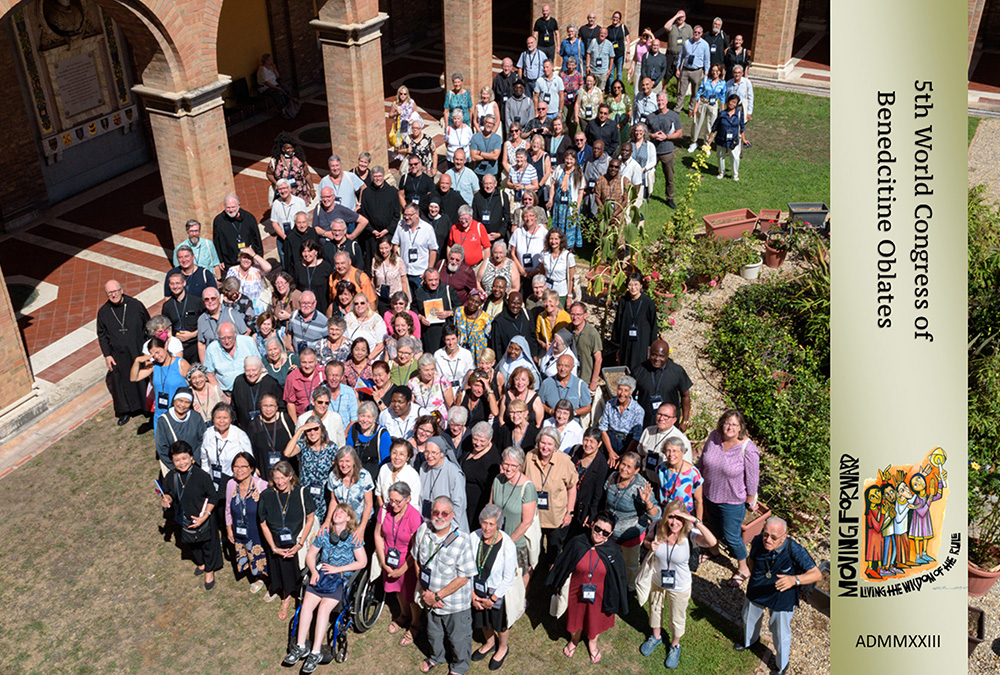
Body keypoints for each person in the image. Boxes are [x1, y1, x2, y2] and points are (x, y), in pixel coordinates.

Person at [283, 503, 366, 674]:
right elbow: (311, 555)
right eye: (336, 511)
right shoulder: (324, 534)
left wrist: (337, 569)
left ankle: (315, 653)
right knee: (305, 606)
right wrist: (313, 571)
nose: (338, 513)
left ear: (349, 518)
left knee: (323, 610)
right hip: (321, 576)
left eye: (343, 512)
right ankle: (300, 647)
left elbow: (362, 562)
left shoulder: (353, 538)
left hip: (339, 579)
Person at [735, 517, 823, 675]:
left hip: (783, 594)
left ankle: (782, 665)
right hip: (758, 588)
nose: (768, 540)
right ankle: (750, 641)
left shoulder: (794, 549)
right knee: (748, 616)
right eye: (765, 534)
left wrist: (794, 580)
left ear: (784, 536)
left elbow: (816, 574)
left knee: (780, 632)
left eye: (774, 537)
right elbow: (752, 561)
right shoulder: (757, 542)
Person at [637, 501, 717, 668]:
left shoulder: (691, 534)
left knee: (677, 617)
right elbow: (646, 541)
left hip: (680, 586)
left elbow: (712, 542)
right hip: (658, 580)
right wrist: (648, 545)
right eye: (671, 517)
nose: (674, 522)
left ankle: (675, 645)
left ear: (685, 519)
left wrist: (696, 521)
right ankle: (656, 637)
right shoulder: (659, 527)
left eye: (679, 518)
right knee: (655, 609)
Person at [547, 510, 627, 664]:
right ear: (591, 525)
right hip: (576, 591)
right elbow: (564, 564)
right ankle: (574, 640)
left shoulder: (614, 552)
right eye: (597, 528)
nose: (599, 534)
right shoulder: (577, 542)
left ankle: (592, 642)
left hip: (600, 595)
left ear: (610, 535)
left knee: (594, 620)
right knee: (575, 619)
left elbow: (619, 577)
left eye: (605, 533)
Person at [413, 496, 477, 674]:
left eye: (444, 513)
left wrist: (437, 596)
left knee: (458, 638)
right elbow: (417, 560)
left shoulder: (462, 540)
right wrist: (427, 592)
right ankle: (436, 657)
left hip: (454, 604)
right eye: (435, 512)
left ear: (452, 515)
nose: (439, 516)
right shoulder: (423, 531)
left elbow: (463, 578)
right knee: (434, 634)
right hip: (429, 597)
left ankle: (460, 666)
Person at [698, 409, 760, 587]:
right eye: (727, 423)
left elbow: (753, 478)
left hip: (732, 500)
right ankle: (714, 551)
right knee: (715, 528)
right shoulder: (714, 437)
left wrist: (750, 500)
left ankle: (743, 568)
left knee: (732, 536)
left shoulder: (748, 448)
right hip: (710, 494)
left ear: (741, 427)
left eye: (734, 424)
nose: (729, 427)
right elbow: (703, 461)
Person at [159, 441, 223, 590]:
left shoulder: (201, 476)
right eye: (177, 460)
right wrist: (166, 499)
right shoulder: (170, 477)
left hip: (204, 517)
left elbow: (213, 497)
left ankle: (209, 571)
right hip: (185, 518)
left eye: (184, 458)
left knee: (208, 546)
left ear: (191, 457)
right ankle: (200, 564)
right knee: (192, 544)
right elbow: (168, 493)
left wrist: (204, 516)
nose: (182, 463)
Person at [259, 460, 316, 617]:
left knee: (296, 570)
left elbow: (310, 518)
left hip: (296, 542)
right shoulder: (267, 495)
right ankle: (285, 596)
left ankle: (297, 594)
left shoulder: (301, 493)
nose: (279, 482)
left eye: (283, 478)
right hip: (276, 544)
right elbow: (263, 524)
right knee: (280, 570)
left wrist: (300, 543)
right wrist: (274, 548)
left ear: (291, 476)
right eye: (276, 478)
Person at [469, 504, 519, 670]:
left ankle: (503, 647)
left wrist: (493, 599)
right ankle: (489, 642)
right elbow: (467, 567)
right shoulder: (473, 537)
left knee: (500, 624)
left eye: (491, 524)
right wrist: (471, 594)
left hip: (497, 592)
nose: (486, 528)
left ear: (498, 525)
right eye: (484, 523)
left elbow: (508, 577)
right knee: (482, 619)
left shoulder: (507, 544)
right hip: (477, 590)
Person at [374, 480, 424, 644]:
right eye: (391, 500)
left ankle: (416, 624)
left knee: (410, 594)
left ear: (408, 498)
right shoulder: (384, 510)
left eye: (397, 501)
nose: (393, 505)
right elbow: (378, 534)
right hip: (389, 560)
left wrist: (402, 569)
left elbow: (417, 547)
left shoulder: (414, 517)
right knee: (396, 590)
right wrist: (383, 562)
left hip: (408, 563)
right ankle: (404, 614)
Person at [97, 280, 150, 426]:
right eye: (110, 293)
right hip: (118, 355)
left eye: (115, 291)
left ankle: (147, 408)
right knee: (122, 382)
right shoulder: (103, 312)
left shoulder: (135, 305)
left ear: (121, 290)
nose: (114, 295)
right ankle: (127, 410)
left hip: (138, 349)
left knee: (143, 378)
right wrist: (107, 355)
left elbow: (148, 324)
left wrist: (151, 347)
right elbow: (101, 335)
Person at [603, 451, 659, 588]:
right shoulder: (612, 476)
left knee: (630, 564)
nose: (624, 469)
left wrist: (647, 503)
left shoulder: (641, 486)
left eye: (629, 467)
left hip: (630, 534)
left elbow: (656, 514)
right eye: (623, 464)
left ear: (636, 470)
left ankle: (629, 587)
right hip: (610, 531)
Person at [525, 427, 577, 564]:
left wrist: (569, 512)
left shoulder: (565, 461)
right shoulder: (529, 457)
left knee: (554, 553)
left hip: (556, 517)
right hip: (534, 516)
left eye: (549, 444)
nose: (545, 447)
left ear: (556, 446)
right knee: (535, 551)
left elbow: (572, 488)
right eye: (543, 443)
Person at [224, 452, 270, 593]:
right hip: (241, 529)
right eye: (236, 466)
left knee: (266, 556)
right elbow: (227, 508)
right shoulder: (231, 484)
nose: (239, 470)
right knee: (249, 554)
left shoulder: (262, 485)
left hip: (260, 531)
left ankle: (272, 583)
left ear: (251, 468)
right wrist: (229, 529)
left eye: (243, 466)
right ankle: (258, 577)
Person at [130, 336, 189, 432]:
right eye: (152, 354)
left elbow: (194, 382)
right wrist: (137, 361)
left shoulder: (180, 363)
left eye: (158, 352)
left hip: (180, 412)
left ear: (165, 346)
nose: (156, 356)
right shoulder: (153, 366)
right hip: (161, 413)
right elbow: (134, 378)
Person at [634, 339, 693, 428]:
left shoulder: (677, 371)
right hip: (645, 424)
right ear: (649, 353)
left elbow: (685, 396)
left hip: (669, 425)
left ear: (667, 356)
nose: (657, 359)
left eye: (661, 356)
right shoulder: (639, 370)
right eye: (654, 355)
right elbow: (630, 396)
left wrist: (685, 421)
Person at [324, 447, 374, 546]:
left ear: (354, 461)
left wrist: (361, 529)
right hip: (341, 523)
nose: (344, 465)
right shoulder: (333, 476)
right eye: (341, 461)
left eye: (347, 461)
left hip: (361, 522)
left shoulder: (365, 476)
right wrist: (327, 521)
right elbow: (334, 501)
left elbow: (368, 504)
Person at [611, 273, 658, 376]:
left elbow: (653, 324)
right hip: (626, 339)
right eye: (630, 284)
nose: (633, 288)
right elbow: (618, 321)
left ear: (641, 286)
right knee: (625, 361)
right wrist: (616, 343)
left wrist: (651, 346)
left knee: (639, 364)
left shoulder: (648, 303)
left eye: (636, 284)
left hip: (641, 340)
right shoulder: (623, 301)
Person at [645, 92, 683, 209]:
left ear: (666, 101)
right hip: (653, 151)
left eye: (662, 100)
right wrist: (653, 135)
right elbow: (645, 133)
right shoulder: (651, 116)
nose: (660, 103)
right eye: (658, 100)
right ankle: (646, 195)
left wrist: (666, 137)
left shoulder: (673, 116)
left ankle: (670, 198)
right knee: (648, 175)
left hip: (667, 151)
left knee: (669, 176)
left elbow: (679, 133)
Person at [155, 388, 205, 473]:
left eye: (187, 402)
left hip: (195, 464)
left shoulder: (196, 417)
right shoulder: (163, 421)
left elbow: (203, 439)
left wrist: (194, 459)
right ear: (174, 400)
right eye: (180, 400)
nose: (182, 405)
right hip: (175, 467)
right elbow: (161, 447)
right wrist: (175, 464)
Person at [639, 402, 694, 480]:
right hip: (645, 479)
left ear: (674, 420)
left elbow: (686, 470)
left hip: (666, 485)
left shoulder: (681, 440)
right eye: (659, 414)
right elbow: (640, 454)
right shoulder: (648, 431)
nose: (661, 418)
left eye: (666, 416)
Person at [460, 421, 502, 522]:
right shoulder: (469, 446)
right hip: (463, 502)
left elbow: (489, 490)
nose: (478, 444)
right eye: (475, 439)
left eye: (482, 441)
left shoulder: (492, 460)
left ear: (490, 439)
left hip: (475, 508)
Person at [599, 375, 644, 466]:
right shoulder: (610, 404)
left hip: (627, 443)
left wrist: (625, 455)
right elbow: (603, 428)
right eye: (620, 389)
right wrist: (610, 451)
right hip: (610, 441)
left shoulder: (638, 410)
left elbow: (636, 437)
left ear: (631, 392)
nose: (622, 393)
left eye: (626, 390)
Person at [570, 428, 611, 531]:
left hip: (583, 508)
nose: (588, 444)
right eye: (586, 440)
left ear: (599, 443)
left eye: (592, 441)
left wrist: (592, 515)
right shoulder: (576, 451)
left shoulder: (601, 464)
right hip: (569, 501)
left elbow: (598, 495)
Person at [393, 204, 439, 293]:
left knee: (420, 302)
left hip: (420, 274)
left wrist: (428, 271)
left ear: (417, 214)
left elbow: (433, 250)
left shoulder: (427, 229)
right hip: (404, 273)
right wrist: (398, 262)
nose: (406, 218)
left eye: (409, 215)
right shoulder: (401, 225)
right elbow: (395, 244)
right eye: (405, 215)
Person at [247, 393, 295, 476]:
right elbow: (250, 448)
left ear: (277, 407)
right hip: (264, 469)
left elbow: (295, 441)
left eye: (271, 406)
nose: (268, 409)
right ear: (260, 407)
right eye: (265, 406)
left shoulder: (285, 419)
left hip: (286, 469)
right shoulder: (254, 424)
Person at [230, 355, 282, 430]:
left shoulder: (270, 382)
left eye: (254, 370)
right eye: (247, 370)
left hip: (268, 427)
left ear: (260, 369)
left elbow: (281, 407)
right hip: (245, 427)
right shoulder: (239, 381)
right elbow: (234, 407)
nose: (251, 374)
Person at [204, 322, 258, 394]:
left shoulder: (248, 342)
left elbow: (259, 365)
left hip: (250, 389)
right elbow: (210, 375)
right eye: (223, 338)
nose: (227, 341)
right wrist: (222, 395)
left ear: (235, 334)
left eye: (229, 337)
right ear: (218, 337)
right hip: (227, 393)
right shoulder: (212, 349)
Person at [213, 194, 263, 271]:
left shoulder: (249, 218)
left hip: (248, 260)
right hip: (230, 262)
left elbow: (257, 239)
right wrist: (220, 260)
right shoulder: (219, 221)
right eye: (228, 207)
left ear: (239, 206)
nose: (231, 210)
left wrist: (259, 256)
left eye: (233, 207)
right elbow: (217, 242)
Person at [360, 168, 401, 261]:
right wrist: (372, 230)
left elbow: (396, 215)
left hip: (388, 234)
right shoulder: (366, 193)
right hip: (372, 235)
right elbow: (364, 214)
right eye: (375, 176)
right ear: (371, 178)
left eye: (379, 176)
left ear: (383, 177)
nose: (377, 179)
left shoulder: (392, 192)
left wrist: (387, 230)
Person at [707, 93, 748, 181]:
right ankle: (721, 172)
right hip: (721, 138)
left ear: (736, 104)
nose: (732, 104)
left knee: (735, 157)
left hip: (733, 140)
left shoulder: (739, 114)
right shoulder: (722, 113)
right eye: (731, 101)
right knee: (720, 156)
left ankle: (735, 174)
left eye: (734, 102)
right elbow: (715, 126)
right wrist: (710, 137)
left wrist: (743, 139)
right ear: (727, 101)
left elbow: (742, 127)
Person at [345, 400, 391, 477]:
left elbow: (386, 461)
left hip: (374, 476)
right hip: (354, 475)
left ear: (375, 418)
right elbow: (348, 452)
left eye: (369, 417)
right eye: (362, 416)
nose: (365, 420)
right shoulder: (354, 428)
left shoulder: (382, 433)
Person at [548, 151, 584, 247]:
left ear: (575, 160)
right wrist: (551, 199)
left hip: (571, 205)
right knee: (558, 226)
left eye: (571, 159)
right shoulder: (559, 168)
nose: (568, 161)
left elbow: (580, 192)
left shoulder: (579, 172)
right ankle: (558, 245)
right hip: (559, 205)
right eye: (567, 159)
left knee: (570, 226)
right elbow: (553, 185)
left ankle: (570, 247)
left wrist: (577, 207)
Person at [688, 63, 726, 152]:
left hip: (713, 105)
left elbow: (723, 97)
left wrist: (722, 110)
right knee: (697, 122)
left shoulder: (722, 83)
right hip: (703, 102)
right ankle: (694, 142)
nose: (714, 72)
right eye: (713, 70)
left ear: (720, 72)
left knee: (711, 125)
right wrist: (696, 106)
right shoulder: (706, 79)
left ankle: (707, 144)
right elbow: (699, 92)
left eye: (717, 71)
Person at [267, 133, 315, 204]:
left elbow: (307, 174)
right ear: (283, 149)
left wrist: (311, 189)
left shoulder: (299, 160)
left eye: (292, 148)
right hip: (284, 194)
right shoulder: (275, 161)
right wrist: (277, 184)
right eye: (288, 148)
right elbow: (269, 174)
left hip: (300, 193)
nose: (291, 150)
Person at [539, 352, 591, 417]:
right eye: (560, 365)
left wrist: (572, 413)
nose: (563, 369)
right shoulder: (547, 383)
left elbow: (587, 408)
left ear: (572, 367)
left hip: (572, 423)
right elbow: (539, 403)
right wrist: (550, 411)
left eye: (567, 366)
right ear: (556, 365)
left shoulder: (580, 385)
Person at [297, 384, 347, 450]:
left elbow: (341, 444)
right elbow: (298, 445)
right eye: (320, 402)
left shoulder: (336, 418)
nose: (323, 405)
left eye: (326, 403)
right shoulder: (302, 419)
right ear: (313, 401)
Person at [674, 24, 710, 115]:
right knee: (681, 91)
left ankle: (691, 109)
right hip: (685, 70)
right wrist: (678, 68)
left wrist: (706, 73)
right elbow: (681, 56)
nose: (696, 34)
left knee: (695, 92)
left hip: (697, 71)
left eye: (699, 32)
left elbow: (707, 60)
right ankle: (677, 109)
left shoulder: (705, 45)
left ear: (701, 34)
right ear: (692, 32)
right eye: (695, 32)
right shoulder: (686, 42)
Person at [377, 438, 422, 506]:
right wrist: (384, 512)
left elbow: (413, 504)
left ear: (407, 457)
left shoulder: (413, 476)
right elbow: (378, 493)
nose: (397, 457)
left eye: (401, 454)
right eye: (394, 453)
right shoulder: (384, 468)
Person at [409, 354, 455, 421]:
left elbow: (450, 406)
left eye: (432, 369)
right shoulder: (412, 383)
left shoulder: (443, 382)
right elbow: (410, 406)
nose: (430, 373)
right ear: (419, 370)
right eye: (426, 370)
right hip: (420, 420)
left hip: (439, 420)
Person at [372, 237, 410, 314]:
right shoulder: (375, 261)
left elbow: (404, 281)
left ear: (391, 247)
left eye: (386, 248)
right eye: (381, 248)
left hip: (396, 298)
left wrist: (405, 300)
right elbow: (373, 279)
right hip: (382, 298)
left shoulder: (398, 261)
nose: (384, 251)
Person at [284, 291, 327, 357]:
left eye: (309, 303)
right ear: (299, 303)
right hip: (297, 359)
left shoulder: (324, 321)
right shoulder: (294, 316)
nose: (306, 305)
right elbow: (289, 334)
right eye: (303, 303)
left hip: (314, 362)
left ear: (315, 303)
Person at [434, 326, 475, 392]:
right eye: (448, 340)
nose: (451, 343)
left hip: (463, 389)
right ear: (444, 340)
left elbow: (469, 376)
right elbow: (438, 377)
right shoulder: (438, 355)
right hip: (444, 390)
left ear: (458, 338)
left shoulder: (466, 354)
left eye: (453, 339)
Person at [472, 174, 510, 245]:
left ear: (495, 184)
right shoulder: (477, 197)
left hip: (498, 237)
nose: (488, 186)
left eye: (490, 183)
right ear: (482, 184)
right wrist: (482, 234)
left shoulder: (503, 196)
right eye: (486, 183)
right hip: (481, 236)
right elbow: (474, 217)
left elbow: (507, 217)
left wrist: (499, 233)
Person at [605, 10, 630, 90]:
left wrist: (628, 53)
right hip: (611, 56)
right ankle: (611, 90)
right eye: (614, 17)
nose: (615, 19)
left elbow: (628, 40)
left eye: (617, 18)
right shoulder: (609, 29)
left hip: (620, 55)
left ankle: (619, 90)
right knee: (611, 74)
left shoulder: (623, 27)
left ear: (619, 19)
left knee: (619, 74)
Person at [586, 27, 615, 91]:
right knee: (591, 89)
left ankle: (600, 101)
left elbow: (612, 57)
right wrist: (587, 66)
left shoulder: (609, 44)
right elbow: (588, 53)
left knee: (601, 89)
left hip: (603, 71)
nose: (602, 35)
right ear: (598, 33)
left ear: (606, 35)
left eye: (604, 33)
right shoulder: (593, 41)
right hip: (593, 71)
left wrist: (609, 70)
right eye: (601, 33)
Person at [389, 85, 417, 150]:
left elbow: (416, 113)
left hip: (410, 127)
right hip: (399, 129)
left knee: (410, 146)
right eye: (401, 94)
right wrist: (396, 113)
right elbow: (390, 115)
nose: (403, 95)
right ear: (398, 94)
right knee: (400, 147)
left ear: (407, 95)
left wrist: (413, 120)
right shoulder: (395, 104)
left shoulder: (411, 102)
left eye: (405, 94)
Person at [605, 79, 632, 146]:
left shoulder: (626, 98)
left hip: (623, 122)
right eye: (614, 87)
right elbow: (606, 111)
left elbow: (630, 111)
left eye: (618, 87)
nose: (616, 89)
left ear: (622, 88)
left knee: (624, 142)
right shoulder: (610, 99)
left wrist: (623, 123)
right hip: (612, 123)